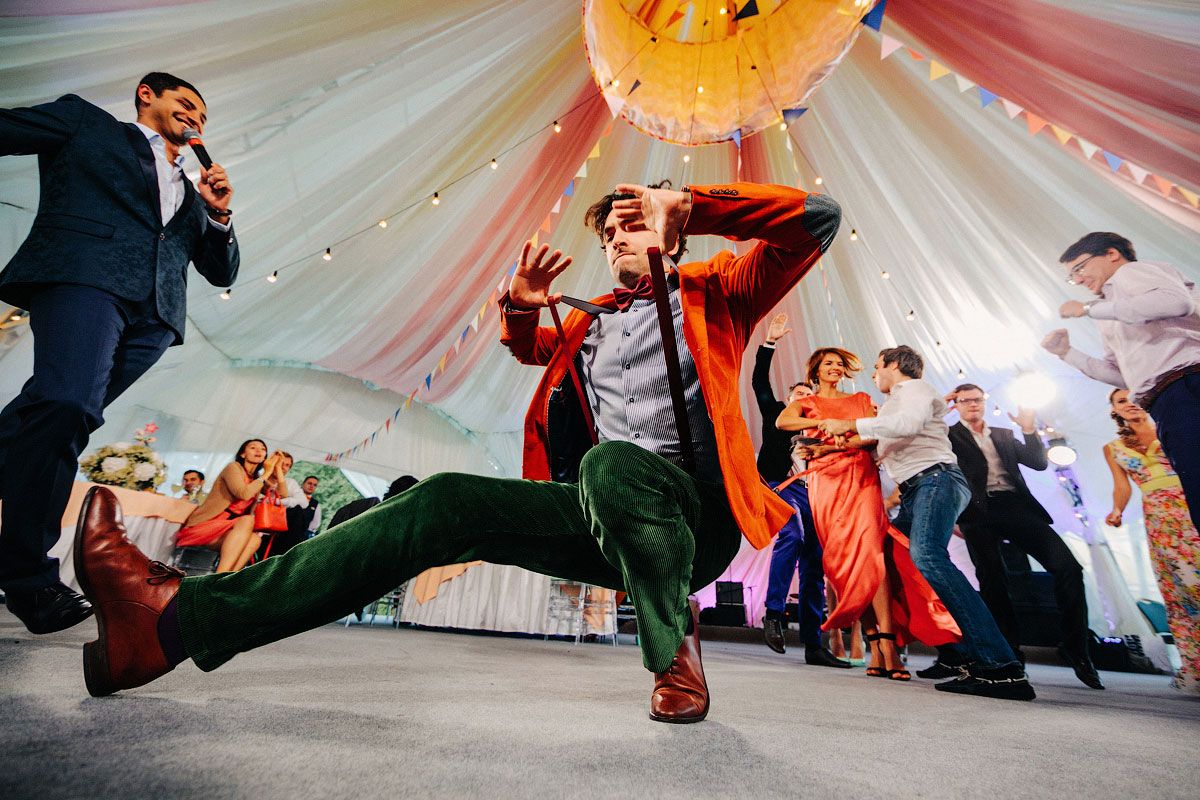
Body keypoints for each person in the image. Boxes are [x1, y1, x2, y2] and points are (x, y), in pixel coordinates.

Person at [72, 179, 842, 722]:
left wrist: (696, 207)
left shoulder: (720, 288)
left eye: (632, 224)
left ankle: (670, 635)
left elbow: (819, 219)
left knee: (613, 465)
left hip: (697, 517)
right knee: (439, 499)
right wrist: (519, 308)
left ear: (666, 227)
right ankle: (170, 627)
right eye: (608, 232)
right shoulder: (587, 321)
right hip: (597, 512)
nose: (615, 239)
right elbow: (528, 348)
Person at [0, 72, 239, 635]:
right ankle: (29, 580)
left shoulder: (194, 187)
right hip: (85, 278)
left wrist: (220, 216)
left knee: (51, 414)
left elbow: (221, 271)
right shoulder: (86, 123)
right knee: (66, 406)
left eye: (203, 117)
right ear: (145, 95)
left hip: (153, 317)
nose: (196, 119)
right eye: (186, 104)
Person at [817, 346, 1036, 700]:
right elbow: (887, 442)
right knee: (893, 557)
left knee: (929, 558)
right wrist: (828, 449)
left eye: (877, 367)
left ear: (894, 365)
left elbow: (905, 425)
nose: (874, 375)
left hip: (935, 480)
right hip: (918, 487)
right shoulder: (895, 405)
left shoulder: (914, 390)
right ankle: (955, 653)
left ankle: (1001, 667)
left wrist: (848, 423)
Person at [778, 347, 960, 681]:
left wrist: (840, 432)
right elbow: (783, 421)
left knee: (872, 554)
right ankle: (874, 644)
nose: (834, 367)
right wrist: (823, 422)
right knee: (844, 563)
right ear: (815, 370)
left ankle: (888, 644)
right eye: (828, 363)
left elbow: (873, 436)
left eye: (839, 363)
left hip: (860, 476)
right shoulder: (809, 402)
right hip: (824, 481)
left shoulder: (862, 398)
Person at [945, 383, 1102, 689]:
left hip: (1015, 505)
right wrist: (953, 515)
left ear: (984, 402)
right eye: (965, 401)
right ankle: (1009, 653)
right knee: (993, 579)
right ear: (957, 405)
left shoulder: (1003, 433)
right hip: (977, 512)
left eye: (977, 400)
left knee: (1068, 568)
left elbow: (1038, 463)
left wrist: (1029, 431)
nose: (972, 405)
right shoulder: (950, 437)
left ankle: (1075, 648)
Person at [1042, 232, 1200, 531]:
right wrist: (1066, 354)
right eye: (1072, 276)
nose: (1078, 279)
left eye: (1080, 268)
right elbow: (1123, 377)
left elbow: (1176, 302)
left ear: (1112, 254)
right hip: (1165, 400)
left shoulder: (1131, 273)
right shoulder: (1108, 312)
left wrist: (1089, 309)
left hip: (1189, 382)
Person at [752, 313, 847, 668]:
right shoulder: (776, 412)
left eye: (808, 394)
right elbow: (759, 380)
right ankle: (773, 613)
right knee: (791, 533)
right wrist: (770, 343)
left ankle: (814, 644)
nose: (804, 397)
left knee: (814, 562)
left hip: (816, 492)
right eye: (798, 394)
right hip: (779, 484)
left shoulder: (823, 421)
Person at [1104, 388, 1199, 695]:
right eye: (1121, 401)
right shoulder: (1113, 448)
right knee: (1180, 594)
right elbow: (1122, 487)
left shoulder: (1171, 426)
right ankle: (1194, 668)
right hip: (1159, 518)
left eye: (1133, 397)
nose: (1129, 403)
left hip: (1189, 505)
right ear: (1115, 411)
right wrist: (1117, 509)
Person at [175, 440, 285, 573]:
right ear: (243, 454)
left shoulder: (256, 478)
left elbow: (282, 494)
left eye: (262, 449)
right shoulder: (233, 467)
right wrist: (266, 473)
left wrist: (278, 469)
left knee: (255, 539)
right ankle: (218, 576)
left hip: (232, 529)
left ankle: (227, 578)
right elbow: (243, 493)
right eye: (253, 447)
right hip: (208, 523)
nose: (258, 451)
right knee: (247, 520)